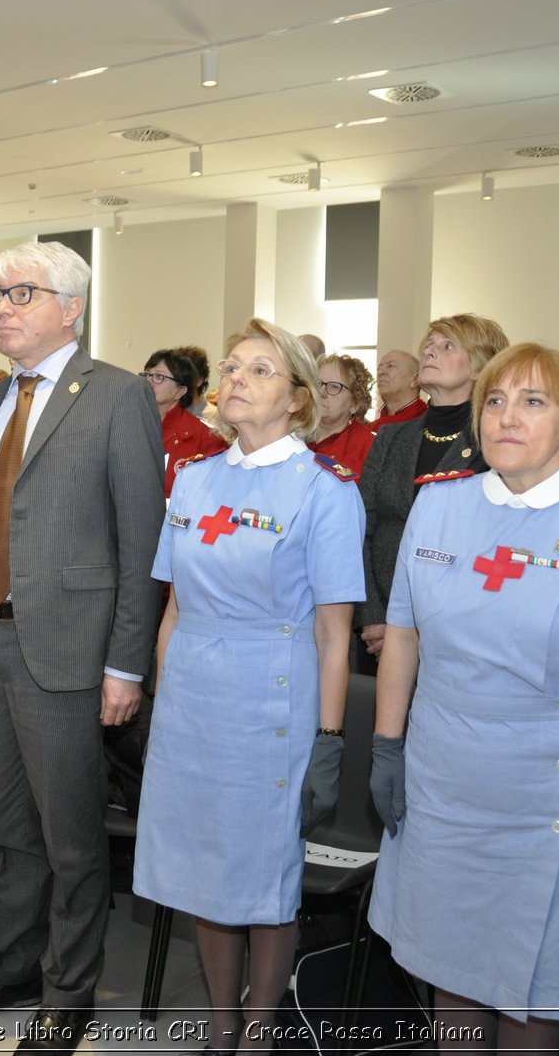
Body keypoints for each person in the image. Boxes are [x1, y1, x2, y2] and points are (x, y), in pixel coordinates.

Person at [368, 342, 559, 1047]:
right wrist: (386, 746)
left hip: (549, 793)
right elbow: (403, 639)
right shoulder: (438, 507)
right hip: (443, 779)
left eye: (534, 401)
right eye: (495, 401)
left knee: (536, 987)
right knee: (451, 969)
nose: (507, 417)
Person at [0, 242, 163, 1055]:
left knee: (69, 835)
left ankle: (69, 991)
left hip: (70, 651)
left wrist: (126, 663)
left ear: (72, 307)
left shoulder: (117, 395)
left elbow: (141, 542)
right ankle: (11, 965)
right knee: (5, 822)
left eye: (23, 293)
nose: (4, 307)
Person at [135, 319, 365, 1054]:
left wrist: (328, 739)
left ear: (299, 398)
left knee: (263, 876)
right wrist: (162, 702)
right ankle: (220, 1022)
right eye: (232, 366)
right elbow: (172, 609)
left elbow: (335, 633)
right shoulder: (196, 480)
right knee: (207, 871)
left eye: (260, 370)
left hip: (273, 698)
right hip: (194, 702)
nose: (236, 378)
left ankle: (260, 1027)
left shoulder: (324, 492)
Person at [357, 315, 508, 664]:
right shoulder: (393, 438)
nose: (429, 353)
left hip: (461, 634)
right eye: (428, 347)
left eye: (447, 346)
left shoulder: (496, 443)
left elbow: (494, 544)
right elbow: (362, 527)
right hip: (379, 629)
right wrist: (374, 616)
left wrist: (424, 630)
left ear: (479, 367)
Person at [141, 347, 228, 496]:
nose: (149, 381)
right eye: (147, 375)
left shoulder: (207, 439)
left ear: (180, 391)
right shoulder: (127, 426)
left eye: (159, 377)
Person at [308, 352, 376, 476]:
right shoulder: (294, 435)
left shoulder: (369, 447)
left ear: (355, 404)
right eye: (318, 384)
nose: (322, 393)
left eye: (334, 387)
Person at [369, 349, 426, 432]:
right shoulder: (370, 429)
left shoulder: (428, 423)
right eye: (379, 368)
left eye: (391, 366)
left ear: (415, 380)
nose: (381, 372)